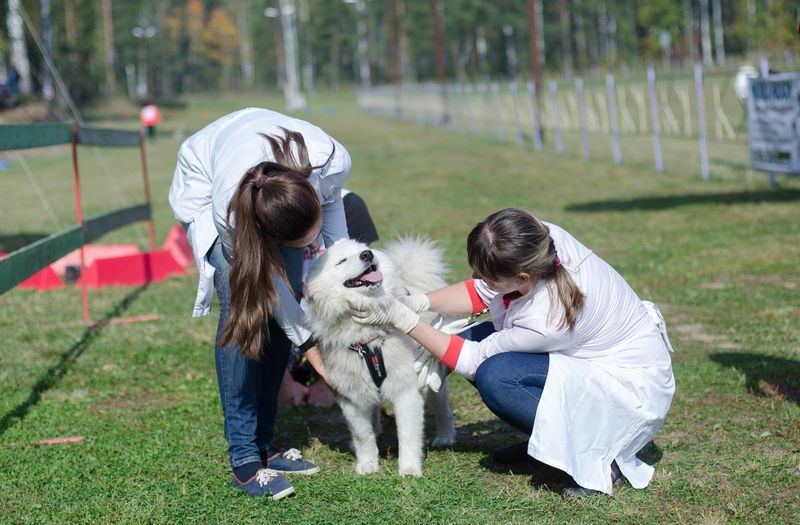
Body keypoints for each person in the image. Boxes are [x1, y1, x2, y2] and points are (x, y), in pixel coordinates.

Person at [349, 208, 675, 497]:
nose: (481, 279)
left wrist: (403, 318)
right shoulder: (538, 240)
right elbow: (483, 291)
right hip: (591, 356)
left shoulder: (550, 318)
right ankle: (547, 443)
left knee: (497, 377)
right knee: (473, 336)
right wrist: (420, 302)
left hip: (627, 387)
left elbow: (474, 359)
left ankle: (602, 458)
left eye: (490, 275)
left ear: (521, 277)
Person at [168, 107, 351, 499]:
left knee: (286, 304)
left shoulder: (331, 160)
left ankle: (266, 445)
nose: (310, 242)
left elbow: (337, 232)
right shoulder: (230, 216)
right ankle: (245, 460)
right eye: (297, 242)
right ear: (270, 233)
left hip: (263, 170)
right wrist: (322, 361)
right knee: (246, 313)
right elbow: (281, 301)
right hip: (205, 183)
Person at [278, 188, 380, 408]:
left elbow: (363, 290)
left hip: (332, 332)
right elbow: (263, 300)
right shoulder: (273, 203)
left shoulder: (349, 204)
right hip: (285, 325)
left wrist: (331, 384)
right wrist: (282, 383)